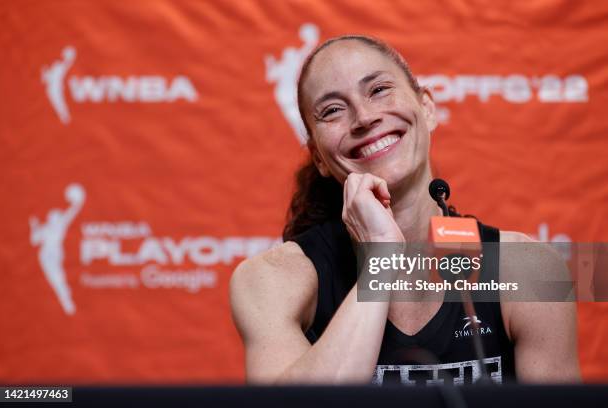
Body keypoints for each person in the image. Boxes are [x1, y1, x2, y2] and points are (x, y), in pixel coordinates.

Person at [230, 35, 580, 385]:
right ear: (319, 157)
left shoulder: (530, 270)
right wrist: (381, 258)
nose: (364, 117)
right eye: (333, 110)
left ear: (427, 108)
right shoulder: (270, 280)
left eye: (379, 89)